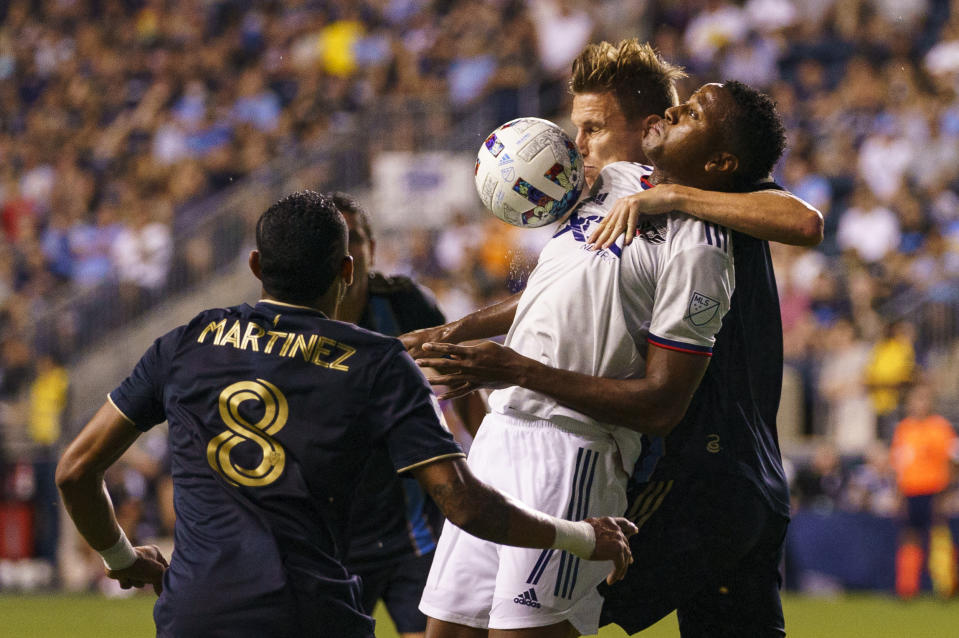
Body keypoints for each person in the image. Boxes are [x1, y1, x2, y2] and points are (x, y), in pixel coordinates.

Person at [55, 191, 636, 638]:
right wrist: (582, 536)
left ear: (257, 264)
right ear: (347, 271)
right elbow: (462, 503)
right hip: (312, 611)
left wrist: (123, 559)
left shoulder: (187, 341)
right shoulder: (378, 362)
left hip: (194, 613)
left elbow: (76, 470)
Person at [403, 40, 821, 638]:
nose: (580, 147)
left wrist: (669, 195)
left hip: (710, 472)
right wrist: (456, 331)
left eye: (594, 129)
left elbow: (804, 222)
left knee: (549, 618)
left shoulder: (713, 212)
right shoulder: (616, 187)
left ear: (652, 131)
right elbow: (572, 286)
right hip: (654, 456)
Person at [331, 191, 485, 638]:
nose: (347, 251)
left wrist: (489, 454)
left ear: (372, 248)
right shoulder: (295, 319)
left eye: (355, 238)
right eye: (336, 240)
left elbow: (464, 385)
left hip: (413, 535)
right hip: (331, 539)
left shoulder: (404, 303)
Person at [890, 383, 958, 600]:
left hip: (934, 490)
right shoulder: (904, 429)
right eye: (916, 399)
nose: (919, 404)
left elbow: (951, 462)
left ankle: (945, 587)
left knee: (939, 537)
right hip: (910, 491)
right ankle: (907, 589)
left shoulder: (941, 428)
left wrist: (946, 492)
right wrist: (898, 494)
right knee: (910, 538)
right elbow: (899, 465)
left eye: (924, 399)